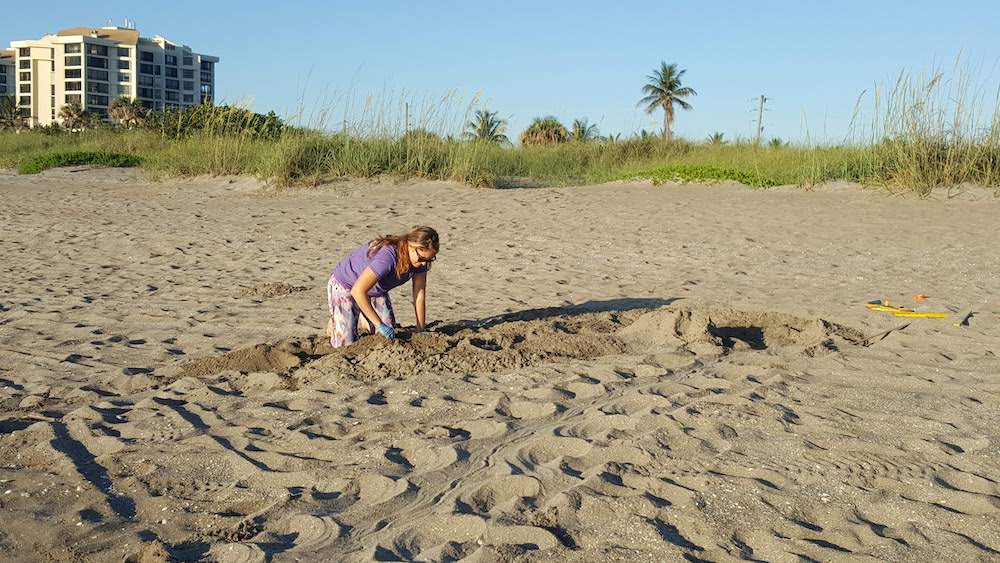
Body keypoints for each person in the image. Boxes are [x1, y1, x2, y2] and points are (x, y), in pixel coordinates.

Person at [326, 226, 439, 347]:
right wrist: (379, 324)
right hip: (346, 285)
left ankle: (362, 315)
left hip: (376, 289)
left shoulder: (422, 262)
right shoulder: (388, 257)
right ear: (410, 246)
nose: (424, 264)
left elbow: (419, 294)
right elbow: (357, 291)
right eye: (421, 258)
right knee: (345, 344)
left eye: (430, 259)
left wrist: (421, 329)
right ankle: (338, 319)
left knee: (388, 338)